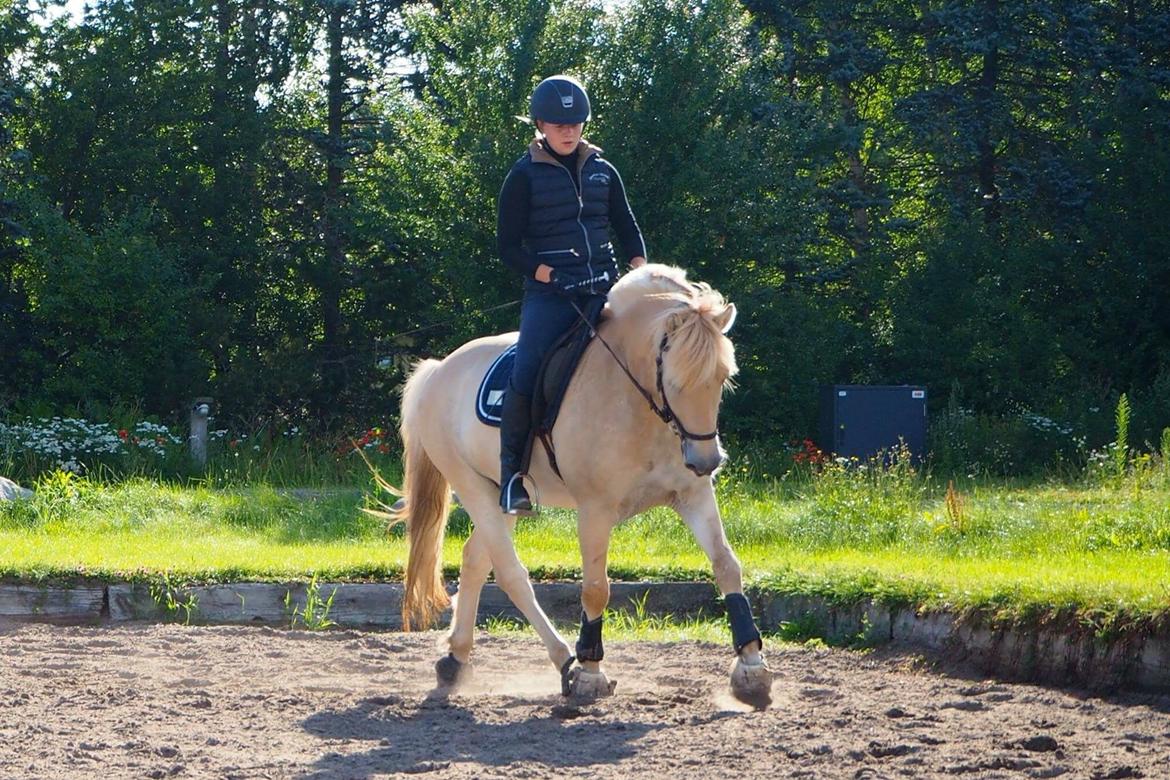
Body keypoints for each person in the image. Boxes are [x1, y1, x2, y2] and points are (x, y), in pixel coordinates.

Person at [495, 74, 648, 515]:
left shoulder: (604, 170)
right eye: (559, 124)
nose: (568, 131)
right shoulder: (522, 176)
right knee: (526, 372)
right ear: (541, 124)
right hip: (551, 296)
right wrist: (546, 274)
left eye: (576, 123)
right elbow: (507, 246)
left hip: (605, 289)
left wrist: (639, 272)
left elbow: (627, 227)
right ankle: (512, 479)